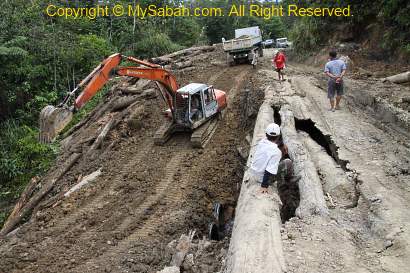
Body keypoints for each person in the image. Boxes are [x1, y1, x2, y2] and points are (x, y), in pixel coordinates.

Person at [249, 123, 299, 194]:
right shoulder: (276, 152)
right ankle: (289, 179)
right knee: (288, 162)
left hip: (254, 173)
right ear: (278, 136)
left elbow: (275, 143)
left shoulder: (262, 142)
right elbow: (269, 170)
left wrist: (282, 145)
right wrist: (264, 185)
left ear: (266, 134)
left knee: (277, 155)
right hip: (262, 178)